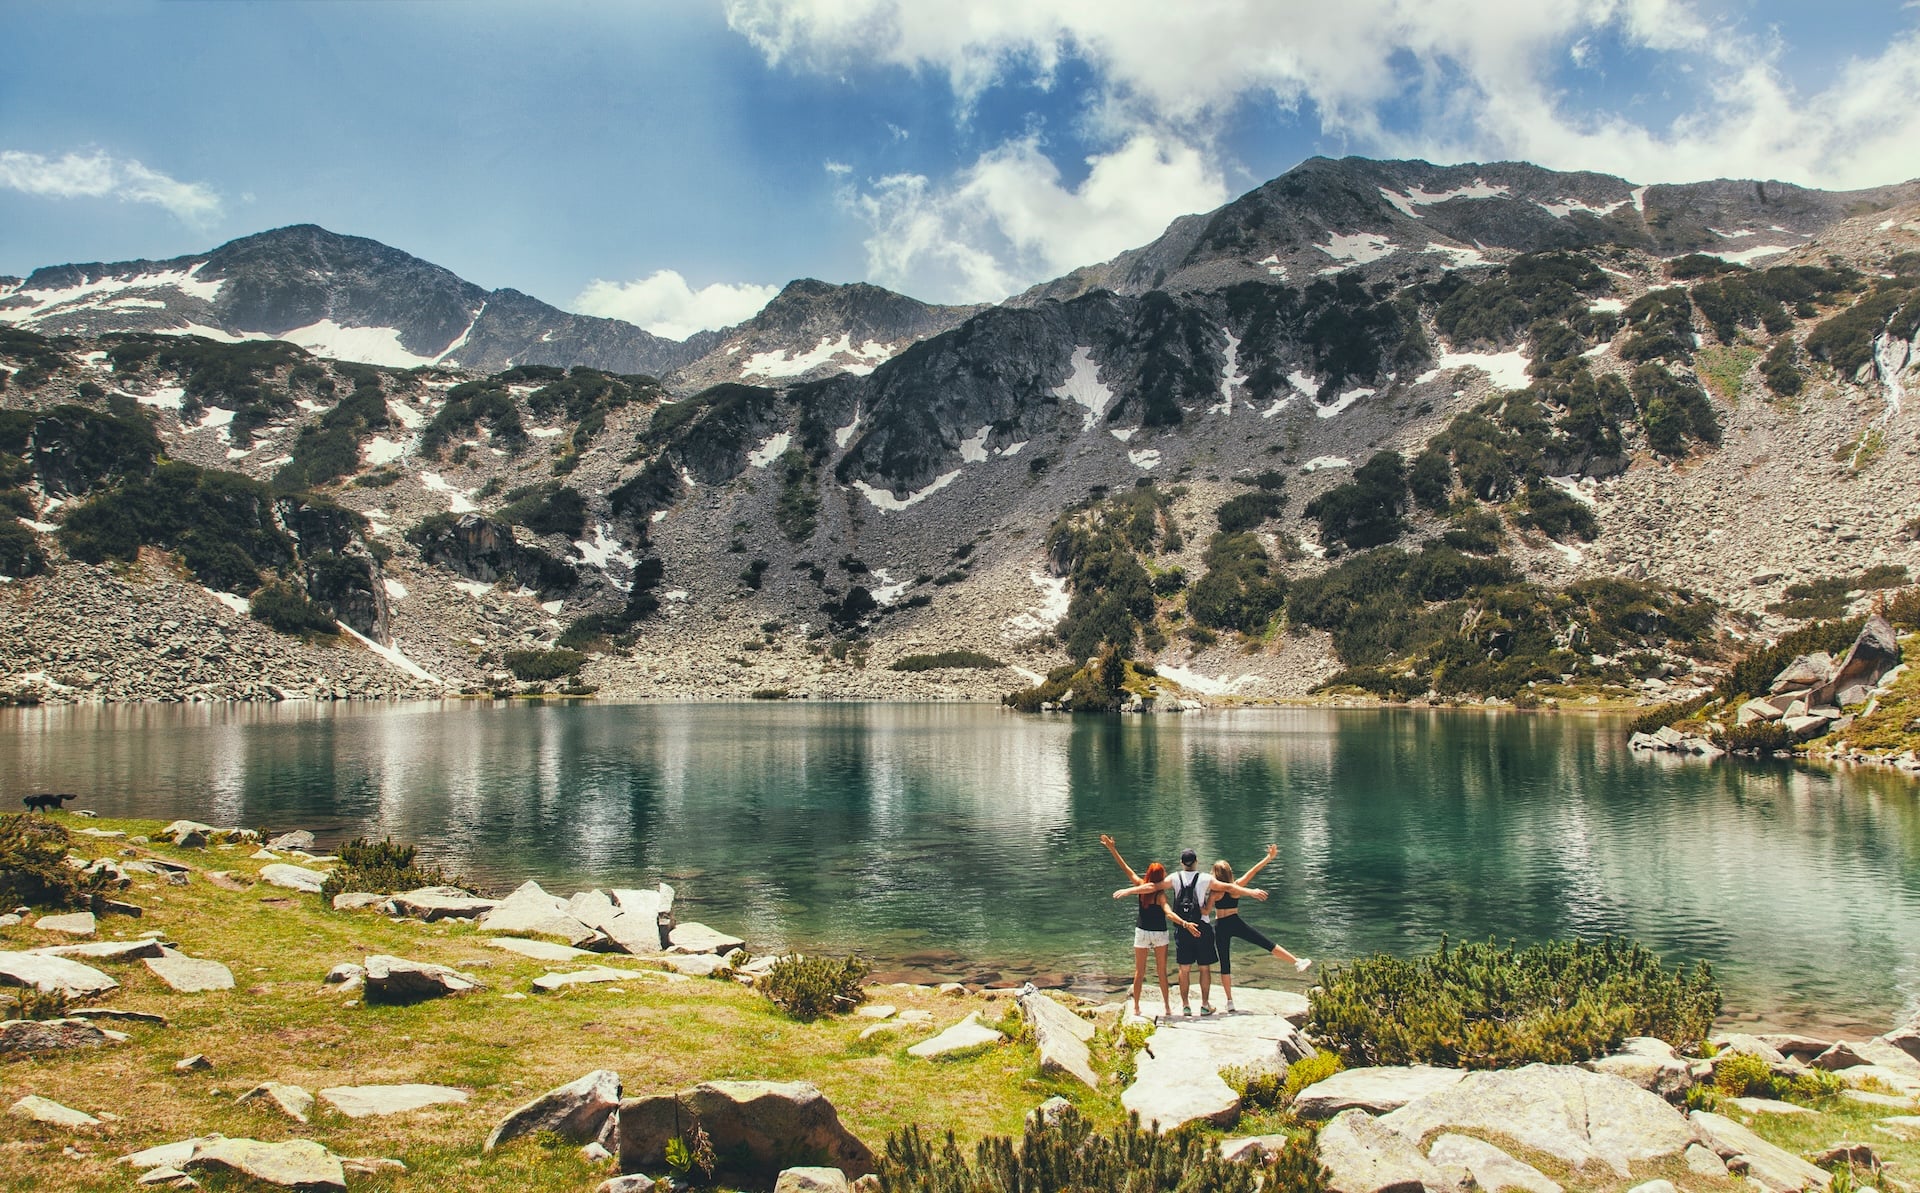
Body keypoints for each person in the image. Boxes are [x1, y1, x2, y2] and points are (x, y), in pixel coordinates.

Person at [1208, 845, 1311, 1013]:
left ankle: (1229, 1001)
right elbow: (1253, 871)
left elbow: (1204, 903)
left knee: (1225, 963)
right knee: (1265, 943)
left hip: (1220, 925)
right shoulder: (1237, 886)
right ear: (1229, 873)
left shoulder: (1214, 890)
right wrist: (1269, 858)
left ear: (1215, 874)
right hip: (1235, 922)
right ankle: (1297, 962)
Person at [1110, 860, 1198, 1020]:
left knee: (1139, 971)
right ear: (1161, 876)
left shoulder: (1140, 886)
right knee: (1161, 972)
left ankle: (1136, 1007)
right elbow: (1169, 914)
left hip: (1142, 932)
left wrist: (1112, 849)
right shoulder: (1161, 895)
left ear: (1148, 874)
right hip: (1159, 934)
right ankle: (1167, 1007)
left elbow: (1126, 868)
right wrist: (1185, 923)